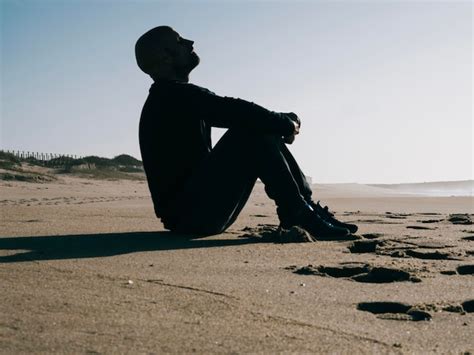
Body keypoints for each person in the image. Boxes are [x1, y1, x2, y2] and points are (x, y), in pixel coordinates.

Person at [135, 25, 358, 238]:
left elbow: (234, 111)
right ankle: (297, 211)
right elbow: (235, 111)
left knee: (257, 125)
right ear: (165, 57)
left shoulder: (171, 97)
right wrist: (287, 124)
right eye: (179, 41)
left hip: (193, 214)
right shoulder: (171, 97)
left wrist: (281, 122)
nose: (190, 43)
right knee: (251, 130)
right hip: (191, 216)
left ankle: (305, 208)